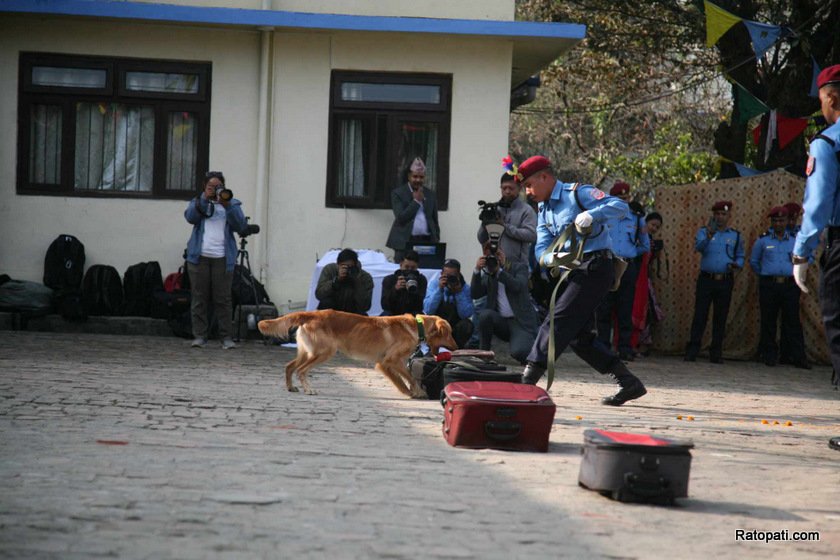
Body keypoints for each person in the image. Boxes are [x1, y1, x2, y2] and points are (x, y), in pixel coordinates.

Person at [517, 156, 647, 406]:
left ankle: (527, 381)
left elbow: (620, 208)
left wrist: (593, 215)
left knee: (557, 319)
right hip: (572, 272)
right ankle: (628, 382)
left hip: (596, 267)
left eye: (530, 185)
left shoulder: (578, 194)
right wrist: (552, 258)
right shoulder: (544, 209)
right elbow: (541, 250)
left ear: (545, 177)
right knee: (579, 338)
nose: (528, 192)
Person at [792, 64, 840, 397]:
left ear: (831, 98)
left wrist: (801, 253)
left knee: (838, 327)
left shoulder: (827, 142)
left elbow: (819, 203)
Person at [184, 171, 249, 350]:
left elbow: (241, 226)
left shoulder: (232, 204)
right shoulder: (198, 202)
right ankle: (199, 336)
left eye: (217, 186)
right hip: (199, 257)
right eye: (210, 187)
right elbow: (190, 217)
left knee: (223, 299)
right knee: (199, 298)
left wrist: (227, 205)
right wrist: (204, 199)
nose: (214, 190)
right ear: (204, 187)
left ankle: (226, 337)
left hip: (222, 257)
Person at [684, 200, 745, 363]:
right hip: (706, 279)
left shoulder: (735, 235)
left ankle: (715, 352)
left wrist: (737, 264)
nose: (720, 217)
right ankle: (693, 350)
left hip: (725, 279)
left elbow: (740, 256)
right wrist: (709, 235)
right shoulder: (704, 232)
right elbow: (699, 248)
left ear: (729, 216)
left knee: (721, 316)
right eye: (717, 214)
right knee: (700, 315)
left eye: (723, 214)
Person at [596, 181, 650, 360]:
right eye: (620, 198)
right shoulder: (604, 215)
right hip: (608, 263)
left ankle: (625, 348)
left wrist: (630, 254)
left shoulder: (636, 217)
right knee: (604, 306)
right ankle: (603, 346)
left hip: (627, 266)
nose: (624, 201)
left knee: (625, 307)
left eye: (626, 198)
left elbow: (645, 244)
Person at [750, 206, 809, 368]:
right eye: (775, 221)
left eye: (781, 220)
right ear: (771, 222)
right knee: (768, 320)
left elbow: (805, 258)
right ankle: (769, 355)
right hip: (769, 285)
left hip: (790, 285)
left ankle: (797, 357)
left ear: (786, 221)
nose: (778, 224)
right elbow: (754, 262)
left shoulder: (795, 240)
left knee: (792, 321)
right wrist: (765, 274)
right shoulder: (763, 240)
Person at [470, 243, 538, 364]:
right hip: (502, 323)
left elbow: (518, 286)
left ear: (503, 254)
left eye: (496, 255)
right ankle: (484, 355)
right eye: (490, 256)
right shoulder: (489, 274)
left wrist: (500, 271)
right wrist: (476, 271)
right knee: (485, 315)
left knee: (520, 352)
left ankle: (534, 347)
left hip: (520, 322)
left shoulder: (519, 267)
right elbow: (476, 294)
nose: (493, 259)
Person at [386, 158, 440, 262]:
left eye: (421, 177)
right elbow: (401, 218)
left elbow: (434, 219)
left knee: (426, 272)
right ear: (409, 176)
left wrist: (436, 238)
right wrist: (416, 201)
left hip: (426, 242)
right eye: (415, 176)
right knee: (402, 273)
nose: (418, 180)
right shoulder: (398, 193)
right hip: (404, 242)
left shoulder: (430, 194)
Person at [476, 173, 537, 265]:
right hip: (492, 265)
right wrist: (484, 224)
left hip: (517, 267)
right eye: (504, 188)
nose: (507, 191)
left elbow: (531, 235)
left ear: (519, 188)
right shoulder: (493, 209)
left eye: (511, 188)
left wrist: (504, 226)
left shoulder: (526, 210)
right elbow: (481, 239)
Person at [631, 212, 665, 355]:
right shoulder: (636, 237)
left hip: (645, 279)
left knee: (648, 312)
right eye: (652, 225)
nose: (654, 228)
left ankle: (641, 343)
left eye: (657, 227)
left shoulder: (650, 240)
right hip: (635, 278)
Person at [423, 258, 474, 349]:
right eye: (447, 276)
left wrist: (458, 293)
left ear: (458, 275)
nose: (449, 279)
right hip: (437, 325)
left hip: (455, 327)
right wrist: (439, 290)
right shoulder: (434, 284)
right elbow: (428, 310)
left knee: (467, 325)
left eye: (452, 276)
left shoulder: (465, 288)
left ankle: (456, 347)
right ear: (441, 274)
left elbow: (466, 314)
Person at [315, 249, 374, 315]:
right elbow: (319, 294)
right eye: (344, 266)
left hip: (353, 313)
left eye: (350, 267)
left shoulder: (365, 277)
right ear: (338, 264)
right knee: (326, 302)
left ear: (355, 265)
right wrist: (336, 281)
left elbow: (365, 306)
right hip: (332, 311)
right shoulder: (330, 270)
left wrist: (357, 281)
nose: (347, 270)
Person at [380, 250, 428, 316]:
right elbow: (384, 305)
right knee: (385, 315)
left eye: (413, 268)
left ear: (417, 267)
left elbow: (420, 306)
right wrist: (395, 289)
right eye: (406, 267)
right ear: (401, 265)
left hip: (413, 313)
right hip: (393, 313)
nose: (409, 270)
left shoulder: (421, 280)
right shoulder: (389, 280)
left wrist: (413, 290)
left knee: (421, 319)